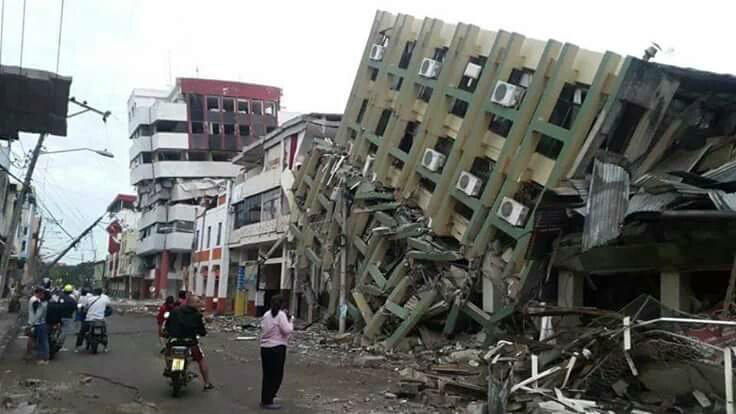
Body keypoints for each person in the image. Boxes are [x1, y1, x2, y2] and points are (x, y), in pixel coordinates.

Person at [165, 295, 214, 391]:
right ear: (192, 303)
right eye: (198, 302)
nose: (199, 304)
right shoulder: (197, 315)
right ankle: (207, 383)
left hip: (174, 341)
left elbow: (167, 326)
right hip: (190, 343)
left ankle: (169, 368)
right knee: (201, 360)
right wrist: (202, 332)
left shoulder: (175, 311)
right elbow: (202, 331)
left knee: (167, 354)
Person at [259, 295, 293, 409]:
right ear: (282, 304)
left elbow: (263, 328)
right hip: (277, 348)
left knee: (267, 375)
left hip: (265, 348)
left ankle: (267, 398)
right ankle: (268, 399)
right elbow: (287, 330)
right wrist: (291, 321)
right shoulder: (281, 315)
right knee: (276, 375)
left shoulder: (266, 314)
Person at [76, 288, 111, 352]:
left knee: (81, 333)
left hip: (89, 320)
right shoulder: (105, 299)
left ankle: (77, 347)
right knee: (104, 333)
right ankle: (105, 347)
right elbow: (109, 305)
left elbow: (84, 308)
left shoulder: (89, 299)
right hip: (100, 320)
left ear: (94, 293)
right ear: (101, 293)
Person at [27, 288, 49, 364]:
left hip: (37, 323)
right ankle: (34, 355)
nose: (42, 295)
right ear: (39, 293)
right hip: (38, 323)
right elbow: (38, 314)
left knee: (38, 341)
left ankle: (41, 357)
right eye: (42, 293)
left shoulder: (39, 302)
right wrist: (32, 324)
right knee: (40, 341)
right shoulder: (36, 301)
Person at [56, 285, 77, 350]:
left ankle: (58, 344)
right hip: (67, 317)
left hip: (58, 316)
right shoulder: (72, 300)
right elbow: (75, 308)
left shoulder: (59, 297)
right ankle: (59, 344)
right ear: (71, 292)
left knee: (59, 330)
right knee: (65, 331)